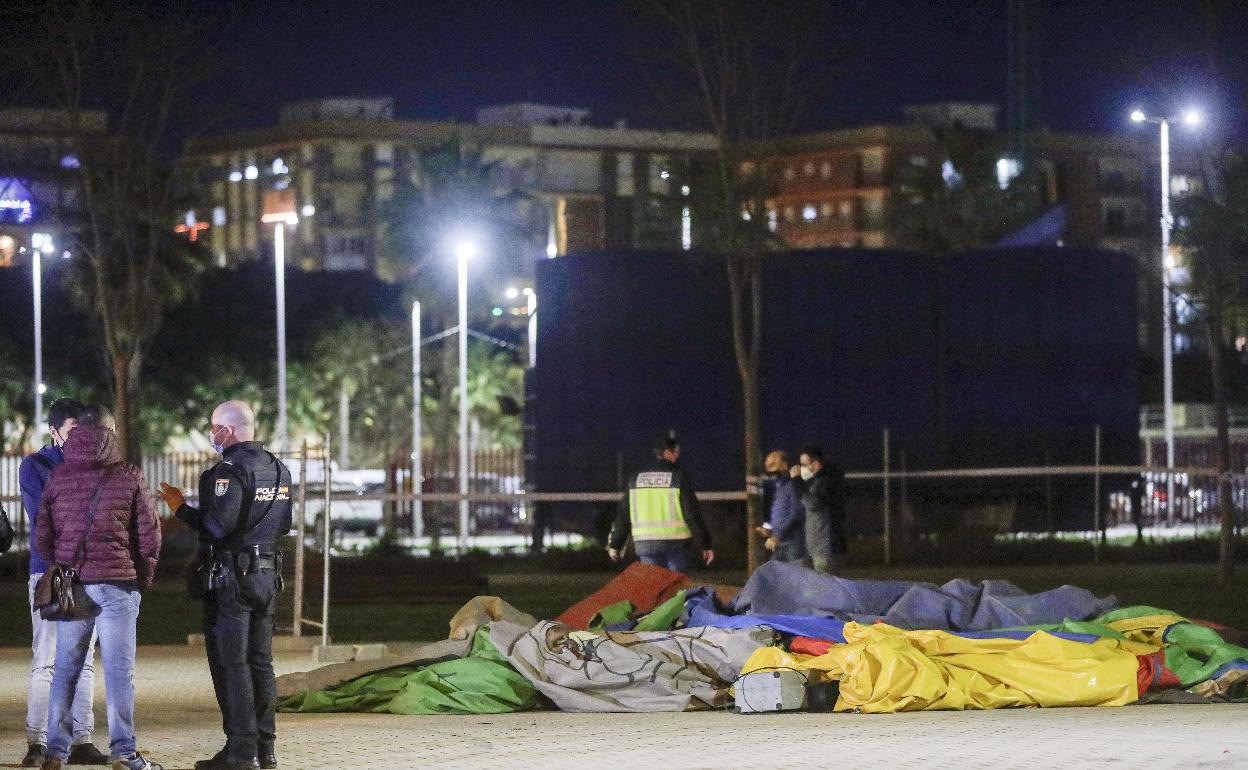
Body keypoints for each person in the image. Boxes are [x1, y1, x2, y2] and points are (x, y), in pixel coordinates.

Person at [158, 401, 291, 770]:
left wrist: (181, 509)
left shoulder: (227, 472)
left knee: (232, 664)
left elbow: (217, 528)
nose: (212, 434)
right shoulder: (278, 469)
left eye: (214, 427)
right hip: (268, 575)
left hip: (233, 579)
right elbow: (284, 525)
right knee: (261, 663)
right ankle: (266, 750)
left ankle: (241, 751)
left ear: (227, 431)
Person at [34, 409, 162, 770]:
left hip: (74, 586)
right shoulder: (128, 475)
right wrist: (142, 577)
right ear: (111, 431)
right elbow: (149, 535)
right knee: (120, 673)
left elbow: (41, 536)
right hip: (118, 584)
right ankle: (124, 752)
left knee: (66, 669)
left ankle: (55, 753)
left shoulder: (59, 476)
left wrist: (61, 560)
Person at [18, 398, 109, 768]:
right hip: (50, 572)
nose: (80, 438)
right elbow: (45, 520)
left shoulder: (96, 465)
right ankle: (37, 741)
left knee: (85, 660)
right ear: (54, 432)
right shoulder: (35, 466)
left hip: (91, 571)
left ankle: (81, 739)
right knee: (48, 661)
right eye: (73, 431)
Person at [607, 436, 713, 573]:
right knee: (677, 589)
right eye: (676, 452)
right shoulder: (678, 477)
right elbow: (692, 514)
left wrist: (615, 544)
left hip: (645, 544)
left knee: (654, 588)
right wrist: (705, 545)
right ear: (668, 453)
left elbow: (624, 514)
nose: (677, 456)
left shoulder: (636, 478)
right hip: (676, 544)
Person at [795, 445, 846, 574]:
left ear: (816, 464)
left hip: (825, 548)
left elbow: (813, 505)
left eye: (804, 464)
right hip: (815, 547)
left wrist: (797, 482)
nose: (801, 468)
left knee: (825, 590)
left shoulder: (826, 482)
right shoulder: (815, 481)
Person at [762, 451, 809, 565]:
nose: (769, 469)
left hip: (793, 544)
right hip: (779, 543)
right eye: (767, 466)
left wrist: (778, 535)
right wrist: (770, 530)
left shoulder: (792, 485)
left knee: (794, 578)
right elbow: (781, 513)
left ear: (784, 465)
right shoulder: (779, 487)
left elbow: (797, 512)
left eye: (773, 464)